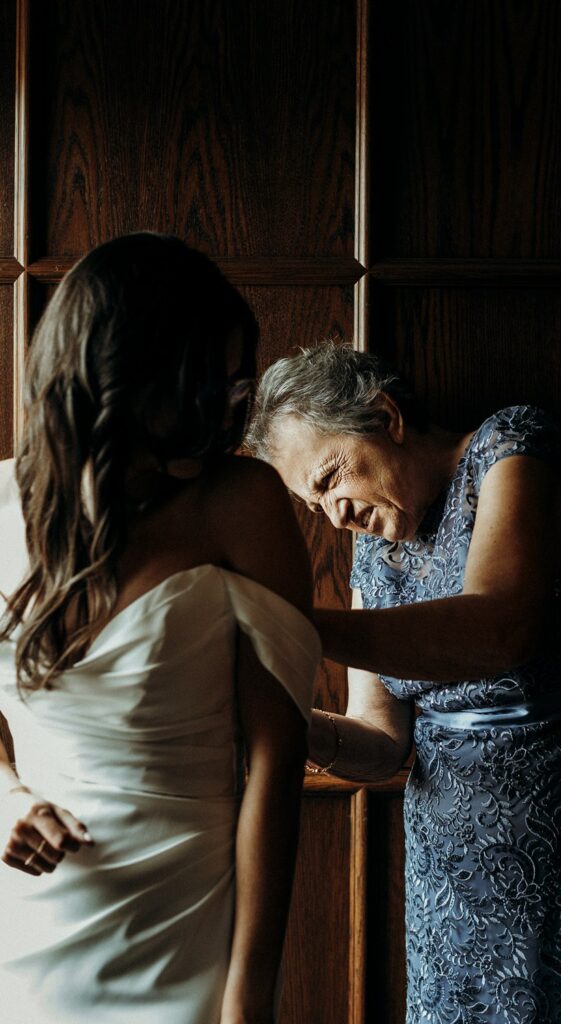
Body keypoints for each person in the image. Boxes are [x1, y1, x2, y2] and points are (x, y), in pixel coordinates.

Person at [245, 341, 561, 1023]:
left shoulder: (510, 450)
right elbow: (382, 743)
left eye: (330, 477)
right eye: (312, 503)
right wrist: (287, 721)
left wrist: (289, 624)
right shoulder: (373, 548)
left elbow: (497, 631)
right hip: (452, 870)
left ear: (386, 417)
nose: (334, 515)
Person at [0, 233, 320, 1024]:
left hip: (185, 926)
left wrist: (249, 994)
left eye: (232, 386)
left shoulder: (239, 503)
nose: (220, 414)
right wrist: (7, 795)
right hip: (32, 923)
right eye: (200, 384)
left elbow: (277, 762)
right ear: (121, 374)